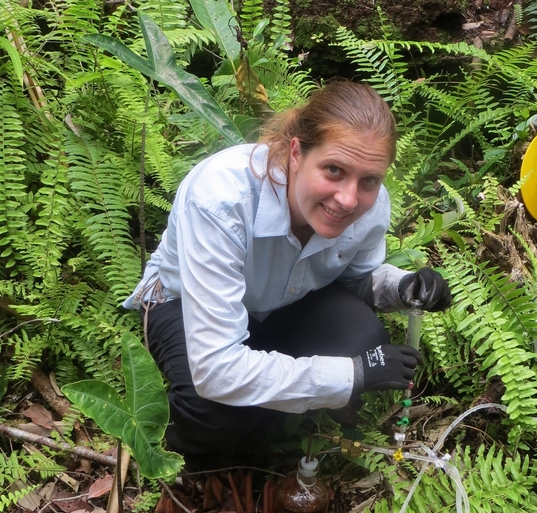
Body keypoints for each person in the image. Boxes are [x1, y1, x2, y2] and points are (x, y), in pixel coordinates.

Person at [122, 81, 451, 460]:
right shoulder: (222, 200)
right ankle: (176, 446)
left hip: (284, 301)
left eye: (369, 180)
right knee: (216, 410)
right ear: (296, 153)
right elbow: (216, 368)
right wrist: (353, 375)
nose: (348, 199)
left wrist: (404, 286)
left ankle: (269, 404)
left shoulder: (370, 205)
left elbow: (357, 278)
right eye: (333, 170)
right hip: (181, 301)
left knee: (363, 337)